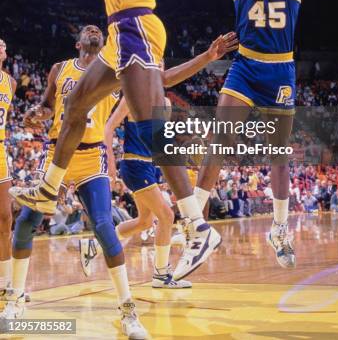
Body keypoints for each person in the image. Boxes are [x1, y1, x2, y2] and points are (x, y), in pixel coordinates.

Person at [3, 0, 224, 280]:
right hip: (123, 34)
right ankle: (48, 188)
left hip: (136, 30)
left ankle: (198, 226)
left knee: (152, 129)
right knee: (76, 104)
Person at [192, 0, 303, 270]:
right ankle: (194, 226)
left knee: (279, 154)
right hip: (245, 66)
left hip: (280, 71)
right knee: (219, 140)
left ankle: (278, 227)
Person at [1, 26, 147, 339]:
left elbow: (153, 80)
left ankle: (128, 311)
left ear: (103, 42)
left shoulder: (113, 69)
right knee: (26, 222)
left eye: (98, 29)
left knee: (104, 227)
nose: (93, 30)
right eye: (87, 30)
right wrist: (35, 114)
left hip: (92, 158)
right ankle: (13, 299)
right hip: (56, 154)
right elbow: (46, 108)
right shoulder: (60, 69)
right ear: (78, 42)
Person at [79, 33, 238, 285]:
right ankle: (161, 274)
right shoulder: (133, 93)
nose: (161, 68)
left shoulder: (163, 101)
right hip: (133, 164)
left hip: (149, 166)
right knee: (166, 216)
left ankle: (92, 246)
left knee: (144, 221)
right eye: (157, 63)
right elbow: (109, 128)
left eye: (162, 63)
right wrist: (108, 163)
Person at [0, 39, 17, 301]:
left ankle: (6, 280)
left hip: (0, 151)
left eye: (3, 45)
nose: (3, 46)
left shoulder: (10, 83)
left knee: (5, 217)